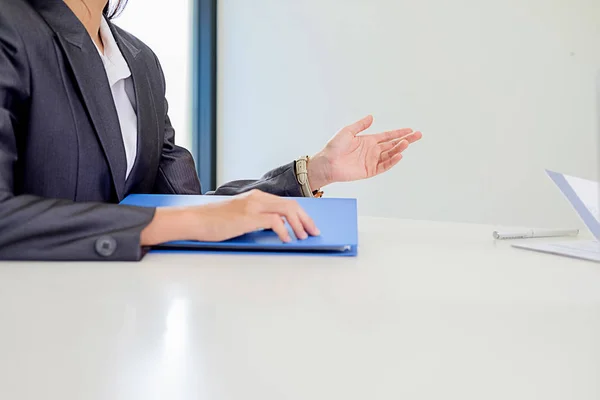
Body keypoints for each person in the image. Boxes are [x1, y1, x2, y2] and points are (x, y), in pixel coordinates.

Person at [0, 0, 422, 261]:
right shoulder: (11, 27)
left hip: (118, 324)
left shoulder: (139, 61)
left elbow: (191, 211)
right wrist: (159, 227)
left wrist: (313, 172)